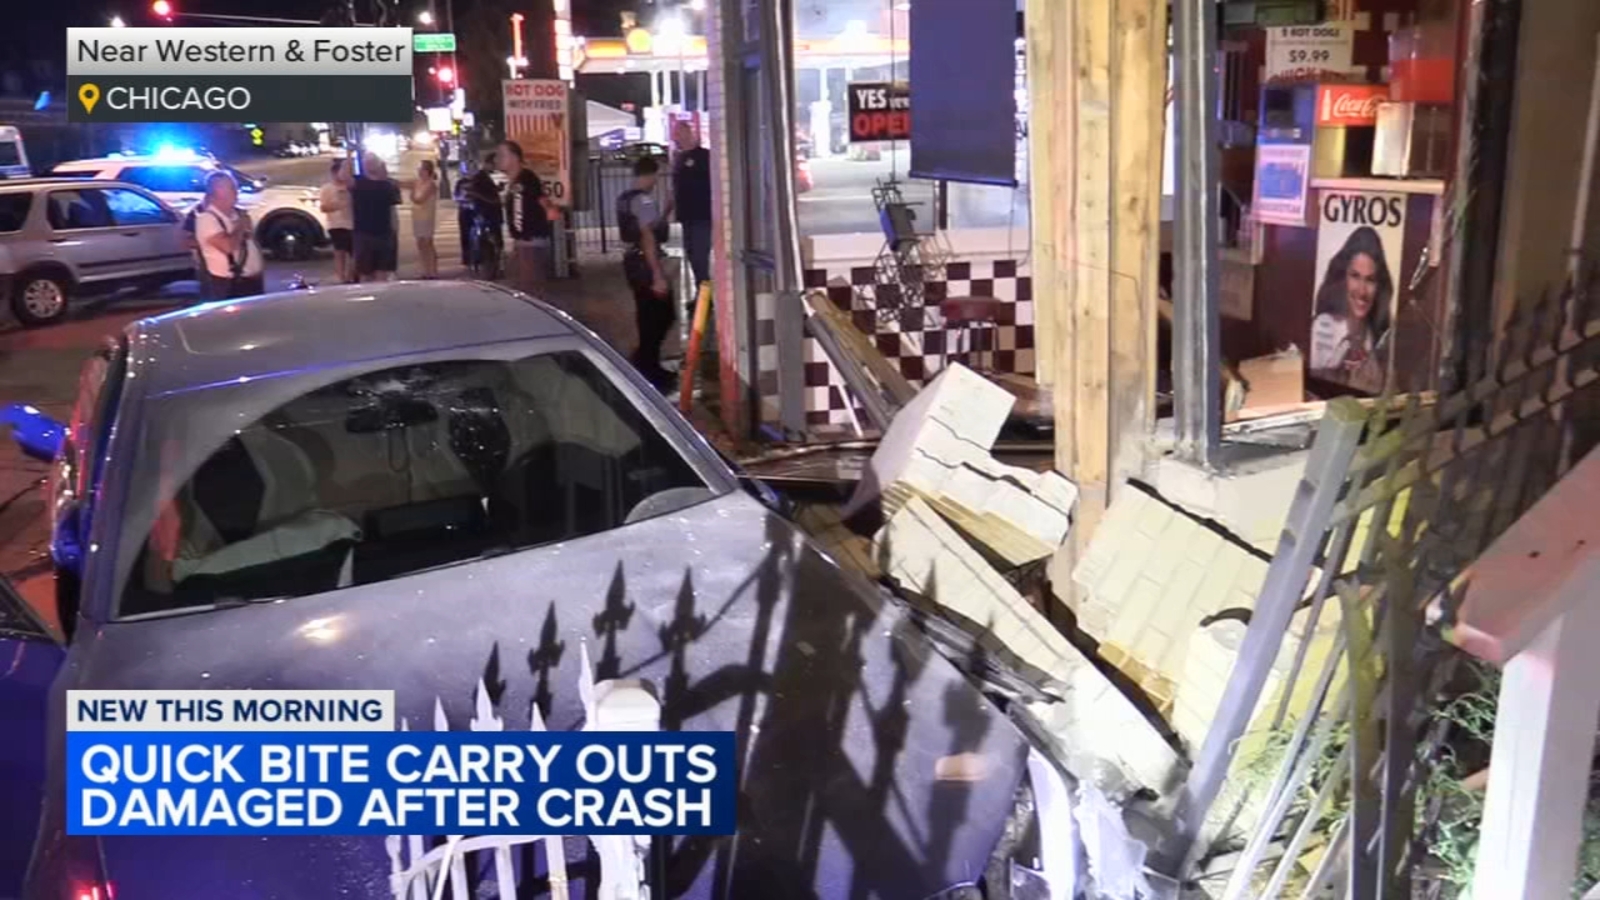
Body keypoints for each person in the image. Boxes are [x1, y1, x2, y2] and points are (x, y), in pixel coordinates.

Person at [1309, 225, 1393, 393]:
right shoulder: (1324, 325)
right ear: (1343, 278)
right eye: (1355, 276)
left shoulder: (1379, 335)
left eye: (1370, 280)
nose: (1362, 291)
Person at [617, 157, 675, 391]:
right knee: (662, 315)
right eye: (657, 176)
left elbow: (649, 227)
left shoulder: (625, 198)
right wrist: (658, 275)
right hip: (645, 262)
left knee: (647, 315)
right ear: (650, 175)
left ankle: (647, 363)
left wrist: (668, 210)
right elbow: (648, 236)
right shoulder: (644, 200)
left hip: (633, 262)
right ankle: (647, 366)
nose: (656, 181)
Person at [193, 170, 264, 301]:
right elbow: (228, 246)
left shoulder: (237, 215)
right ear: (217, 191)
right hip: (228, 287)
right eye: (232, 187)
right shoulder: (206, 219)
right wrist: (242, 225)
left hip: (251, 283)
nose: (237, 191)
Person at [496, 140, 556, 294]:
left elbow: (544, 201)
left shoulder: (527, 178)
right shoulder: (515, 181)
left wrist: (549, 213)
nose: (498, 159)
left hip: (531, 241)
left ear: (515, 158)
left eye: (503, 155)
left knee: (531, 288)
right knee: (525, 286)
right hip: (523, 241)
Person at [669, 120, 713, 292]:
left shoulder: (703, 156)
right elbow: (675, 189)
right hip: (687, 217)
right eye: (675, 133)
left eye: (678, 133)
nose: (675, 137)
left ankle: (705, 298)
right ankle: (702, 295)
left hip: (702, 216)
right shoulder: (679, 158)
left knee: (700, 257)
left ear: (688, 133)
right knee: (693, 256)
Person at [350, 154, 400, 282]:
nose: (370, 165)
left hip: (384, 233)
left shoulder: (388, 185)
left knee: (382, 271)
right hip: (363, 233)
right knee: (365, 272)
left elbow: (392, 210)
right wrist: (350, 157)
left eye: (373, 162)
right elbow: (343, 176)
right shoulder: (358, 182)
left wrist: (394, 231)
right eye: (367, 162)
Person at [457, 152, 502, 267]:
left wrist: (496, 190)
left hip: (489, 211)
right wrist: (490, 199)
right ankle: (479, 258)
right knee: (485, 235)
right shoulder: (479, 177)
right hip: (485, 211)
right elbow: (476, 193)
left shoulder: (485, 176)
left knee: (492, 236)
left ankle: (486, 258)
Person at [320, 157, 355, 283]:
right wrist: (338, 205)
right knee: (340, 252)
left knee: (354, 252)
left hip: (352, 224)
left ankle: (351, 275)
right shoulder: (327, 188)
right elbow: (323, 207)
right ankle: (342, 277)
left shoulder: (351, 187)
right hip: (336, 225)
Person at [411, 159, 440, 279]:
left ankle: (432, 271)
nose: (419, 171)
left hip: (427, 217)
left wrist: (412, 195)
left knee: (428, 243)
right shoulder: (418, 183)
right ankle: (425, 270)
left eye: (422, 169)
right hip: (417, 216)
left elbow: (420, 199)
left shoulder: (431, 184)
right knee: (420, 243)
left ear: (427, 171)